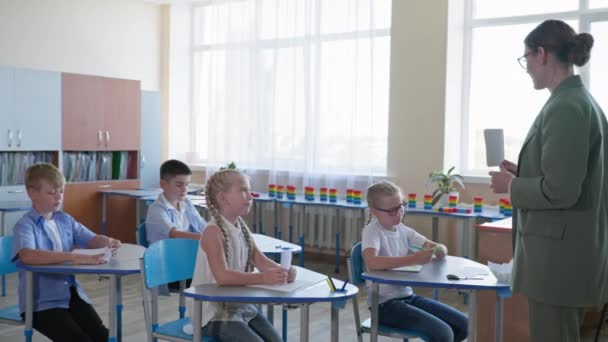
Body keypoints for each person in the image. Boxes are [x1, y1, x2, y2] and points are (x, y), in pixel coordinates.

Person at [489, 19, 608, 342]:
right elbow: (570, 177)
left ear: (541, 54)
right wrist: (523, 173)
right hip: (568, 254)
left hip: (558, 261)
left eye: (525, 58)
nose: (526, 67)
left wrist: (510, 186)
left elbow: (561, 190)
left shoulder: (566, 107)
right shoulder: (578, 101)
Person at [12, 163, 121, 342]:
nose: (58, 197)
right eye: (51, 192)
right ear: (32, 193)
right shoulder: (25, 225)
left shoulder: (65, 220)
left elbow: (91, 239)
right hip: (40, 305)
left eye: (61, 191)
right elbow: (28, 255)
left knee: (103, 336)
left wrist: (108, 241)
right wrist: (74, 256)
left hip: (71, 295)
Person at [192, 169, 295, 341]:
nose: (250, 195)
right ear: (223, 198)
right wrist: (264, 278)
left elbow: (259, 260)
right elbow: (223, 277)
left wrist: (281, 271)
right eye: (243, 190)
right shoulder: (212, 232)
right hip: (212, 316)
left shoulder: (241, 228)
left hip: (240, 308)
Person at [361, 181, 468, 342]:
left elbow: (437, 247)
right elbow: (372, 262)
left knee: (464, 324)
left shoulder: (403, 230)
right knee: (443, 333)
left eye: (401, 206)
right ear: (374, 211)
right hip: (384, 306)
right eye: (392, 210)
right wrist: (414, 259)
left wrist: (439, 250)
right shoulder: (372, 231)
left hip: (408, 297)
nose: (399, 213)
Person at [146, 159, 206, 290]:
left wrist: (218, 232)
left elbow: (202, 226)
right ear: (163, 184)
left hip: (185, 260)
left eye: (187, 184)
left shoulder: (186, 203)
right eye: (179, 185)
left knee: (220, 268)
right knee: (214, 275)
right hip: (167, 268)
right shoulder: (157, 209)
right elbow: (175, 234)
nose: (185, 189)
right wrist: (209, 238)